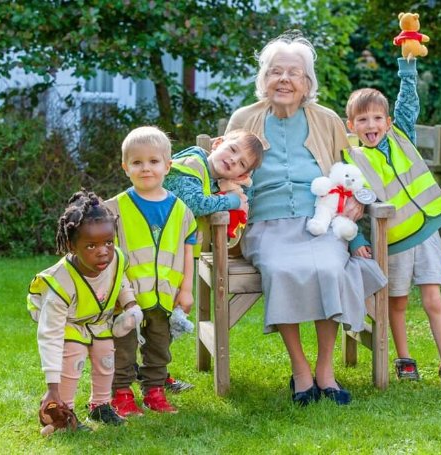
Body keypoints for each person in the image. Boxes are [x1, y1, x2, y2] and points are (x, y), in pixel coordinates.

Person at [225, 31, 387, 406]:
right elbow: (225, 171)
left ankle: (325, 370)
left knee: (330, 268)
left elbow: (351, 173)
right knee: (281, 271)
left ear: (307, 82)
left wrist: (358, 212)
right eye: (275, 71)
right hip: (264, 223)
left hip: (320, 221)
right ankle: (300, 370)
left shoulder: (326, 119)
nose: (284, 79)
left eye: (294, 73)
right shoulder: (244, 118)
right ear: (263, 79)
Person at [343, 53, 441, 388]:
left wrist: (407, 68)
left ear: (387, 120)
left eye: (377, 118)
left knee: (433, 298)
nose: (372, 126)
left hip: (426, 231)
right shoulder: (351, 159)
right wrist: (356, 240)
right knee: (396, 302)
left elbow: (408, 101)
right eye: (363, 120)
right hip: (393, 241)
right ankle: (404, 359)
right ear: (351, 126)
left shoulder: (402, 136)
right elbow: (345, 204)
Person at [105, 126, 197, 415]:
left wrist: (186, 290)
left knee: (159, 346)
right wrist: (119, 294)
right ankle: (121, 394)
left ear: (167, 166)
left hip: (164, 296)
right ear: (125, 167)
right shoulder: (115, 208)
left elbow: (187, 250)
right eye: (137, 162)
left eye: (154, 161)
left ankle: (154, 391)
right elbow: (106, 255)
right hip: (126, 297)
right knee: (123, 346)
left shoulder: (181, 210)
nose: (146, 168)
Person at [27, 190, 136, 431]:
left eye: (108, 241)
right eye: (91, 245)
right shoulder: (60, 283)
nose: (103, 251)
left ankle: (100, 406)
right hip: (67, 321)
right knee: (73, 356)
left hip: (96, 320)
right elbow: (50, 336)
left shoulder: (115, 259)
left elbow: (121, 281)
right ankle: (64, 412)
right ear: (71, 246)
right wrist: (51, 387)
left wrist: (130, 304)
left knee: (106, 355)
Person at [164, 128, 265, 256]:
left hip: (175, 251)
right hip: (154, 242)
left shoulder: (215, 183)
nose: (234, 160)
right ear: (217, 144)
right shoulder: (191, 164)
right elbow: (195, 204)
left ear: (241, 175)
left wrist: (244, 184)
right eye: (233, 149)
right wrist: (234, 200)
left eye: (242, 164)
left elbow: (246, 204)